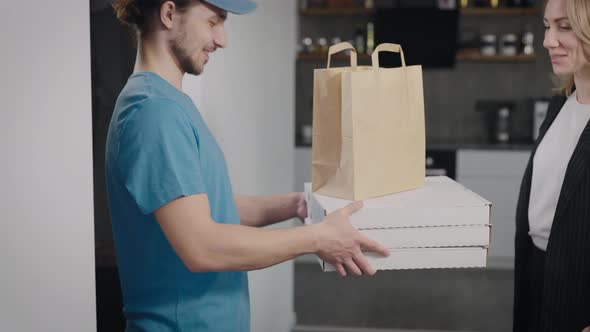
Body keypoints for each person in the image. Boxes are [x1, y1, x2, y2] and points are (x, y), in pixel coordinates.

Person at [105, 0, 390, 331]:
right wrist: (317, 239)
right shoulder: (154, 113)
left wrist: (295, 204)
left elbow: (210, 207)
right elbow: (203, 246)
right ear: (169, 14)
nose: (222, 39)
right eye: (213, 22)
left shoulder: (169, 104)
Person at [513, 0, 590, 331]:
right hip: (539, 272)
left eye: (565, 26)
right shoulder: (561, 105)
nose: (548, 40)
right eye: (547, 26)